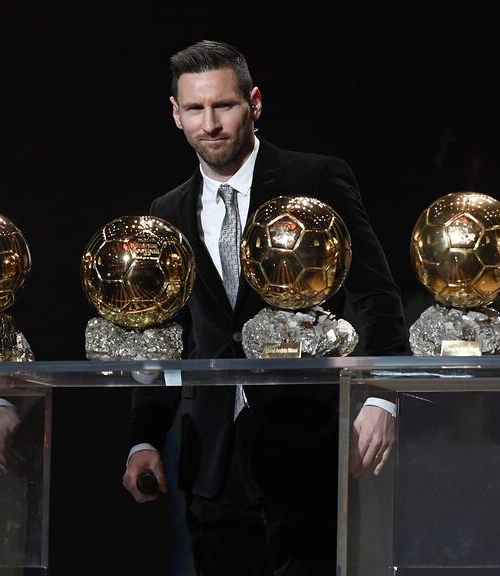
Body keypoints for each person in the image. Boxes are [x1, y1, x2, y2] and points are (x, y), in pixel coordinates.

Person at [122, 40, 408, 575]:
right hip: (213, 463)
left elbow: (372, 292)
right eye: (195, 109)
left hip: (313, 448)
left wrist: (382, 395)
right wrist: (146, 435)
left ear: (254, 103)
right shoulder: (167, 211)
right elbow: (165, 334)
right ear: (175, 114)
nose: (210, 124)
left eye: (224, 106)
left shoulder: (317, 178)